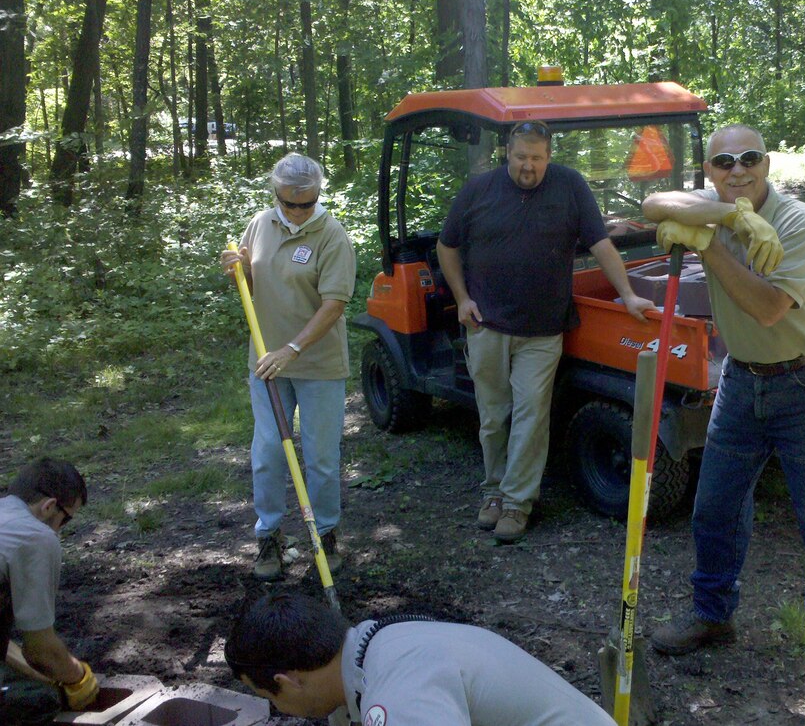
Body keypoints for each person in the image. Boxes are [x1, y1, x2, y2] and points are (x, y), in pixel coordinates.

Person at [642, 124, 805, 723]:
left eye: (749, 159)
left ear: (767, 162)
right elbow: (651, 203)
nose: (738, 170)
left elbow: (767, 309)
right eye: (723, 161)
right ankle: (713, 616)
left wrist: (710, 240)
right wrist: (729, 220)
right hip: (741, 382)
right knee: (713, 506)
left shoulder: (797, 222)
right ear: (709, 170)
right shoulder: (719, 210)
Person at [436, 121, 655, 543]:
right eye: (521, 157)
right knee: (493, 417)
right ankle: (493, 492)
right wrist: (461, 298)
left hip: (542, 329)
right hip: (486, 325)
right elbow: (447, 246)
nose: (528, 166)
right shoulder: (479, 191)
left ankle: (518, 503)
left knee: (531, 416)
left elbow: (601, 244)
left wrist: (627, 295)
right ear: (507, 153)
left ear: (549, 156)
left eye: (537, 158)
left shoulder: (569, 186)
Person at [220, 153, 357, 581]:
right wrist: (237, 271)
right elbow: (255, 283)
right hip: (266, 362)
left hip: (318, 364)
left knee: (319, 458)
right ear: (275, 194)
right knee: (266, 454)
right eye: (289, 202)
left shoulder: (332, 235)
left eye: (306, 202)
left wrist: (292, 349)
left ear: (317, 194)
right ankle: (269, 536)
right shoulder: (261, 224)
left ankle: (325, 534)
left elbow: (334, 305)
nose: (298, 210)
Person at [225, 591, 616, 726]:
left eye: (270, 697)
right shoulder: (380, 647)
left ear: (287, 681)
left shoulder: (399, 691)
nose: (281, 709)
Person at [1, 458, 99, 725]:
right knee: (39, 700)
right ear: (49, 506)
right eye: (65, 520)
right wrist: (78, 677)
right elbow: (40, 650)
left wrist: (47, 673)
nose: (60, 531)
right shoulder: (35, 537)